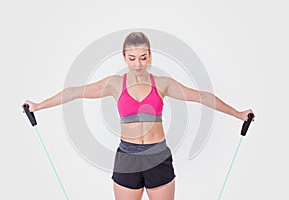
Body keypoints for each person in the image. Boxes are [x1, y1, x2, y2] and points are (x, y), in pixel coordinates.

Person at [21, 32, 255, 200]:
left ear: (150, 56)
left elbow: (203, 97)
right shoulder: (114, 84)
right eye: (132, 58)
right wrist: (39, 105)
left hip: (158, 157)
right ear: (124, 57)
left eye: (143, 57)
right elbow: (74, 92)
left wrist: (238, 114)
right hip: (127, 159)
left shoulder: (163, 84)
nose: (138, 63)